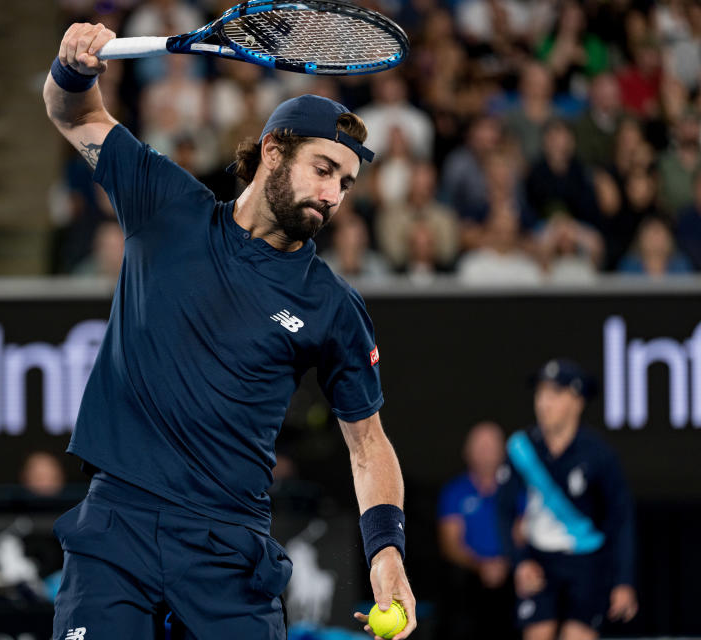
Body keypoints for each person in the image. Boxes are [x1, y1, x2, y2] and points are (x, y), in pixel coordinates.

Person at [43, 22, 416, 640]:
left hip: (228, 551)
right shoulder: (164, 205)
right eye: (323, 169)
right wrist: (74, 69)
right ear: (273, 149)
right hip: (118, 529)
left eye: (346, 183)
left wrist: (386, 552)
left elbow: (369, 446)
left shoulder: (331, 305)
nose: (332, 195)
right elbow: (74, 114)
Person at [497, 360, 638, 640]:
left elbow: (620, 520)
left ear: (577, 401)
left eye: (554, 394)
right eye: (540, 394)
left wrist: (623, 581)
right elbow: (504, 511)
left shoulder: (599, 454)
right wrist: (520, 561)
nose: (543, 404)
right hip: (539, 560)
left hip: (587, 564)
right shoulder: (521, 447)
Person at [436, 422, 517, 640]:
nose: (485, 452)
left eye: (491, 446)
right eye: (480, 446)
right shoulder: (454, 491)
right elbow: (449, 544)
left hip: (510, 576)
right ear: (466, 451)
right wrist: (481, 566)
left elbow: (525, 533)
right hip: (468, 579)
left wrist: (505, 563)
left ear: (503, 451)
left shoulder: (517, 490)